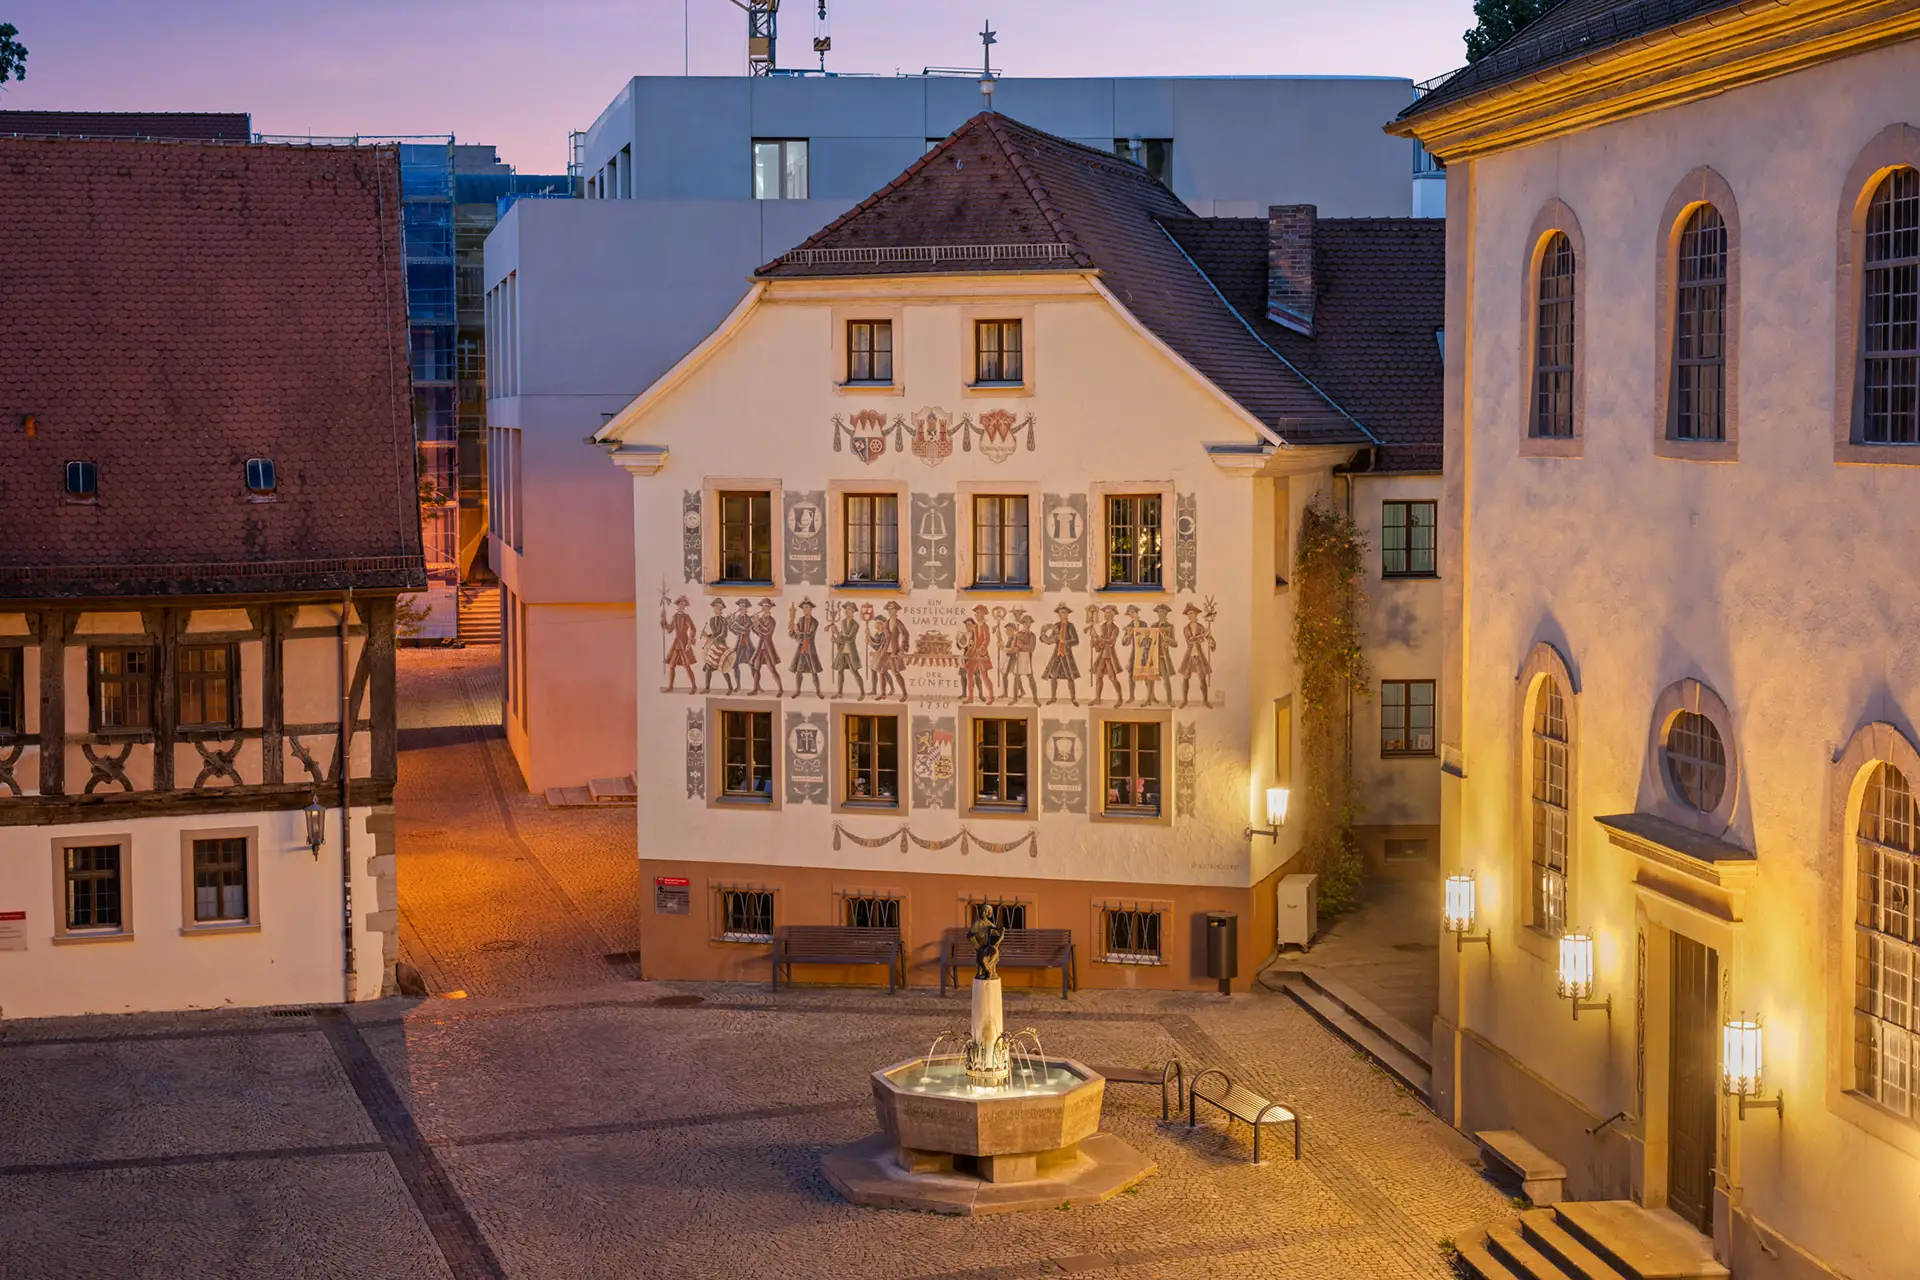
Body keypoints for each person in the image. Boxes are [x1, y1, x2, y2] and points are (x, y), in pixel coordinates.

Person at [1039, 602, 1080, 706]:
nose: (1061, 614)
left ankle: (1073, 698)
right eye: (1060, 613)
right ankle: (1053, 698)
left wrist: (1065, 642)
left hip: (1066, 654)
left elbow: (1076, 641)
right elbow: (1051, 639)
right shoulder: (1055, 626)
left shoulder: (1071, 626)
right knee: (1053, 676)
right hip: (1057, 654)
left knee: (1070, 677)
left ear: (1067, 614)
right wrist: (1043, 638)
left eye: (1063, 613)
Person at [956, 604, 995, 705]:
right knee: (969, 673)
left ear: (983, 614)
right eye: (975, 612)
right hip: (974, 654)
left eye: (977, 612)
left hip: (982, 655)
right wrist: (970, 651)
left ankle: (991, 696)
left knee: (984, 676)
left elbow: (986, 640)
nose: (976, 614)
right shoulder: (976, 627)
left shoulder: (985, 627)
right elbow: (976, 641)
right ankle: (970, 697)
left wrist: (980, 650)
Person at [1179, 601, 1215, 708]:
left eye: (1191, 613)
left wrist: (1210, 640)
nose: (1190, 616)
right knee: (1186, 677)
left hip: (1198, 654)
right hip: (1189, 654)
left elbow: (1207, 638)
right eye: (1188, 614)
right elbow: (1189, 640)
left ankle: (1205, 700)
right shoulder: (1186, 628)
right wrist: (1201, 636)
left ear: (1196, 614)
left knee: (1202, 677)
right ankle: (1184, 701)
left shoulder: (1201, 627)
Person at [1087, 603, 1124, 706]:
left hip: (1109, 656)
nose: (1106, 615)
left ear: (1113, 615)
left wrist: (1097, 637)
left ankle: (1120, 698)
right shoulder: (1103, 626)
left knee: (1112, 677)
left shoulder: (1115, 629)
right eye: (1105, 613)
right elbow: (1101, 643)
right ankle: (1097, 699)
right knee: (1098, 676)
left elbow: (1110, 642)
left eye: (1108, 613)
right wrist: (1094, 642)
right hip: (1102, 655)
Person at [872, 600, 909, 699]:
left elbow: (905, 634)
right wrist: (880, 649)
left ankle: (905, 694)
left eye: (892, 609)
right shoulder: (886, 623)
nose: (890, 611)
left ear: (896, 610)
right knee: (881, 671)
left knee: (896, 673)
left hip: (894, 652)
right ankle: (883, 694)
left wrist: (902, 649)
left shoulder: (898, 623)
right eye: (888, 609)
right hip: (885, 652)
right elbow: (885, 638)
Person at [787, 598, 823, 698]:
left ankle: (818, 691)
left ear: (811, 609)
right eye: (804, 608)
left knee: (814, 671)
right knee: (798, 671)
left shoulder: (815, 622)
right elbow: (795, 634)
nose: (805, 609)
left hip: (810, 649)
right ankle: (797, 691)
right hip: (801, 649)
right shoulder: (800, 620)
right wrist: (791, 631)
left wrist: (798, 632)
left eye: (807, 607)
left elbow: (810, 635)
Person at [829, 600, 866, 699]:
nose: (846, 611)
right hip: (842, 650)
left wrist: (838, 633)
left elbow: (850, 638)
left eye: (849, 609)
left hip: (850, 650)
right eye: (846, 609)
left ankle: (862, 693)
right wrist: (836, 639)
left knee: (854, 672)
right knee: (840, 670)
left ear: (853, 611)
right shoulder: (843, 622)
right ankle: (839, 693)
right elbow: (842, 638)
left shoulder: (855, 624)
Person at [660, 596, 697, 692]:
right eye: (681, 604)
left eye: (684, 605)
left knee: (687, 666)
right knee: (671, 665)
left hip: (684, 643)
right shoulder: (674, 616)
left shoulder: (686, 617)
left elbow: (693, 629)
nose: (683, 606)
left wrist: (689, 642)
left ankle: (694, 687)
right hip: (676, 643)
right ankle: (671, 687)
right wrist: (664, 622)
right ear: (678, 605)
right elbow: (669, 630)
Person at [749, 598, 783, 696]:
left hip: (767, 648)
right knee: (756, 668)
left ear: (770, 608)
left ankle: (780, 689)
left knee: (772, 669)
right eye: (763, 607)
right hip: (760, 647)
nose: (764, 609)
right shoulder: (760, 619)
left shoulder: (772, 621)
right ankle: (755, 689)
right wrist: (753, 623)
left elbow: (766, 632)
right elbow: (757, 632)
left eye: (767, 607)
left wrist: (757, 623)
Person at [700, 598, 735, 693]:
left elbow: (724, 634)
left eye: (718, 607)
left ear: (722, 609)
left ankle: (730, 688)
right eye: (715, 607)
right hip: (713, 646)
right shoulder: (711, 620)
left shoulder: (724, 620)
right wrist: (707, 635)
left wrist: (714, 639)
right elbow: (714, 633)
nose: (716, 609)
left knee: (724, 668)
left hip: (721, 647)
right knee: (708, 667)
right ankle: (707, 688)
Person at [1150, 602, 1179, 707]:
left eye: (1163, 612)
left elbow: (1175, 644)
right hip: (1153, 656)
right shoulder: (1153, 626)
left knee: (1166, 678)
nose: (1161, 614)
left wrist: (1166, 638)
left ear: (1166, 614)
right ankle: (1152, 697)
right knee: (1151, 678)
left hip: (1163, 657)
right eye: (1159, 612)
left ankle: (1169, 699)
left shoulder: (1170, 627)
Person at [1006, 610, 1037, 703]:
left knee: (1030, 678)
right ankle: (1015, 699)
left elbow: (1031, 648)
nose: (1028, 624)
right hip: (1018, 657)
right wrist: (1015, 648)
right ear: (1023, 623)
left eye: (1030, 622)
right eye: (1026, 622)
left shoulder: (1032, 635)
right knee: (1016, 678)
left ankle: (1035, 698)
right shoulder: (1018, 634)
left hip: (1027, 657)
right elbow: (1014, 646)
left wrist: (1022, 646)